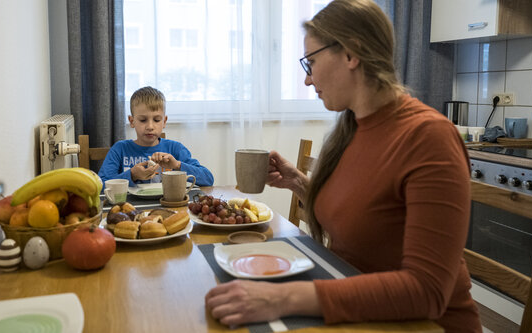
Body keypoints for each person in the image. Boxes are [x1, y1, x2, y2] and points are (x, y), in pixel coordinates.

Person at [204, 1, 481, 331]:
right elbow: (363, 215)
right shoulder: (353, 127)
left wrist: (283, 298)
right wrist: (299, 183)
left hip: (422, 323)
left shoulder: (428, 137)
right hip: (358, 309)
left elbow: (427, 291)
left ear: (351, 54)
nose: (308, 80)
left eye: (312, 62)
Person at [99, 86, 214, 187]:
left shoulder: (175, 149)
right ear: (132, 121)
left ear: (164, 122)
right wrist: (132, 175)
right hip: (131, 209)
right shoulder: (120, 149)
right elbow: (100, 185)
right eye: (143, 120)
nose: (150, 126)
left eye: (157, 120)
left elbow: (208, 179)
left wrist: (177, 165)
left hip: (168, 207)